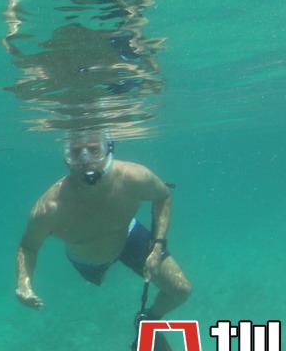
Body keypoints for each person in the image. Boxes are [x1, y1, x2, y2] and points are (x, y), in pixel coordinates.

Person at [15, 130, 191, 321]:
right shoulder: (49, 208)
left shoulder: (134, 177)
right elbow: (28, 247)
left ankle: (149, 319)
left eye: (94, 150)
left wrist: (157, 247)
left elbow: (163, 196)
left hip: (129, 234)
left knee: (181, 290)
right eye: (75, 153)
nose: (85, 161)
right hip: (89, 261)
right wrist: (24, 284)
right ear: (66, 160)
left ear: (108, 150)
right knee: (98, 282)